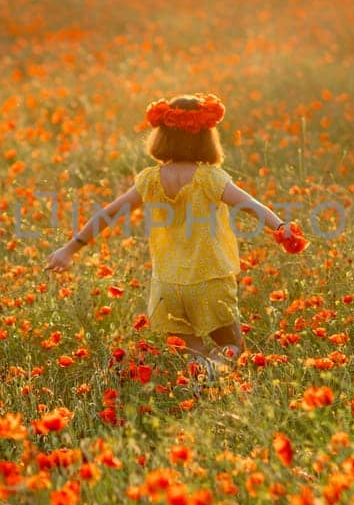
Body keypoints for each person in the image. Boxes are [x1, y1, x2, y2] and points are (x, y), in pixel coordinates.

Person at [45, 93, 307, 373]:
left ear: (162, 136)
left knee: (196, 354)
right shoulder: (210, 178)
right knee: (232, 350)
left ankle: (202, 379)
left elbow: (108, 214)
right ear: (206, 137)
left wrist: (70, 249)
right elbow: (251, 206)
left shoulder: (150, 179)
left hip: (168, 286)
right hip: (209, 280)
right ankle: (213, 381)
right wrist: (280, 227)